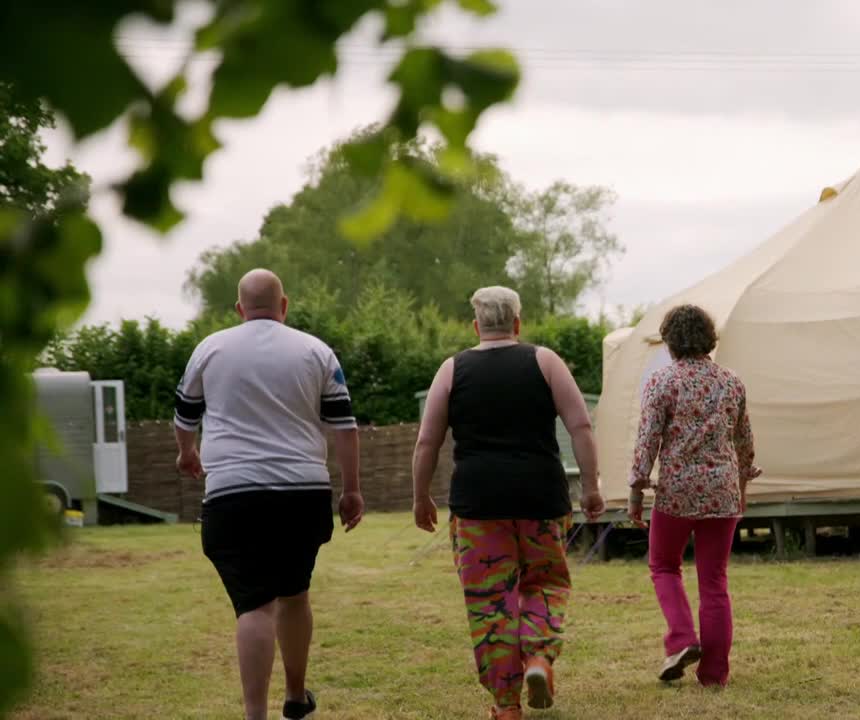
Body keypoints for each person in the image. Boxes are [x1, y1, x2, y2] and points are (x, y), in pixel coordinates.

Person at [174, 269, 364, 720]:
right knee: (295, 594)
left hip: (233, 495)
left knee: (255, 606)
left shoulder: (210, 349)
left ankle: (255, 715)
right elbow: (344, 427)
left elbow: (184, 416)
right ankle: (296, 698)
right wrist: (352, 490)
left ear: (239, 308)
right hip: (303, 493)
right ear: (284, 305)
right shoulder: (316, 351)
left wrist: (187, 453)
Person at [411, 286, 605, 720]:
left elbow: (427, 441)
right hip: (541, 497)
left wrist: (421, 496)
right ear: (517, 322)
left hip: (478, 503)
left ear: (476, 326)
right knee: (546, 582)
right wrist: (591, 486)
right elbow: (581, 426)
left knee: (490, 599)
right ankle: (538, 657)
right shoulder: (545, 361)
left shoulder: (452, 369)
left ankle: (506, 704)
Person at [627, 304, 761, 687]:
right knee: (714, 582)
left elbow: (647, 442)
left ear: (669, 341)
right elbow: (744, 444)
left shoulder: (662, 382)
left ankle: (683, 639)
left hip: (676, 492)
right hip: (722, 491)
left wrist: (636, 493)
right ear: (709, 338)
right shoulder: (731, 382)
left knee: (664, 566)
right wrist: (741, 490)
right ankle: (714, 674)